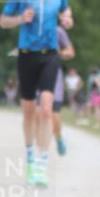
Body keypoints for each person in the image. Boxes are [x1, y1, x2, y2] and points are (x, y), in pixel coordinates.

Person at [0, 0, 73, 188]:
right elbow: (3, 21)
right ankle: (30, 154)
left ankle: (42, 163)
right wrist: (20, 18)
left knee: (46, 109)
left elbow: (66, 13)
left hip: (50, 55)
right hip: (26, 55)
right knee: (29, 110)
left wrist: (68, 20)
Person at [37, 25, 75, 156]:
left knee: (54, 115)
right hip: (36, 75)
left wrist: (59, 53)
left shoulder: (58, 31)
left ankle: (58, 138)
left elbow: (70, 51)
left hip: (54, 76)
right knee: (39, 113)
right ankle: (41, 151)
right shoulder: (31, 28)